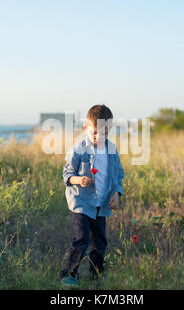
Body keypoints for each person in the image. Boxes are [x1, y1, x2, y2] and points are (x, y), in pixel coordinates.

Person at [60, 104, 124, 286]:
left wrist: (116, 194)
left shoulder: (111, 150)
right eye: (95, 132)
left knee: (100, 242)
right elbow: (67, 174)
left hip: (101, 203)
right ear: (85, 128)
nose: (99, 137)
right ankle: (69, 274)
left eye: (104, 132)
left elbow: (118, 175)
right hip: (81, 201)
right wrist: (78, 180)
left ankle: (96, 274)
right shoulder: (78, 149)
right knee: (82, 239)